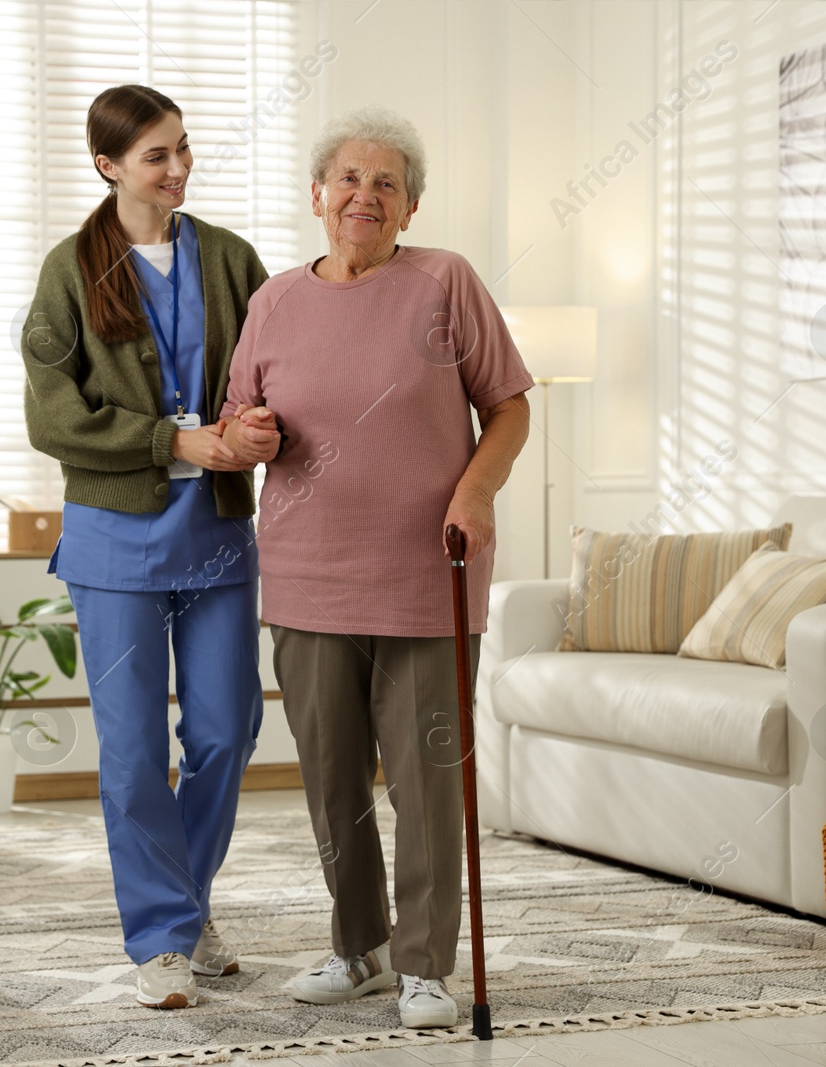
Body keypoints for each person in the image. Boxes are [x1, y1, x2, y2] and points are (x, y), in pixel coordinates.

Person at [220, 106, 533, 1029]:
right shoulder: (274, 300)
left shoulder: (446, 283)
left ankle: (425, 962)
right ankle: (356, 948)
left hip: (426, 573)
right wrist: (246, 434)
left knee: (427, 779)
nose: (366, 195)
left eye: (387, 184)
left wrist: (475, 493)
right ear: (317, 195)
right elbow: (238, 420)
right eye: (349, 180)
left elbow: (510, 407)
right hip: (309, 576)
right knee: (331, 775)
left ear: (412, 206)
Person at [19, 84, 275, 1010]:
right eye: (157, 155)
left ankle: (186, 901)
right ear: (109, 166)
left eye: (182, 149)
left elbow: (277, 374)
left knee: (225, 730)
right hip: (115, 542)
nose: (178, 168)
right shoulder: (67, 272)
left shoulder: (233, 259)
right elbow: (54, 415)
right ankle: (164, 939)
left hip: (215, 534)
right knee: (132, 752)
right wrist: (174, 439)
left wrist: (255, 431)